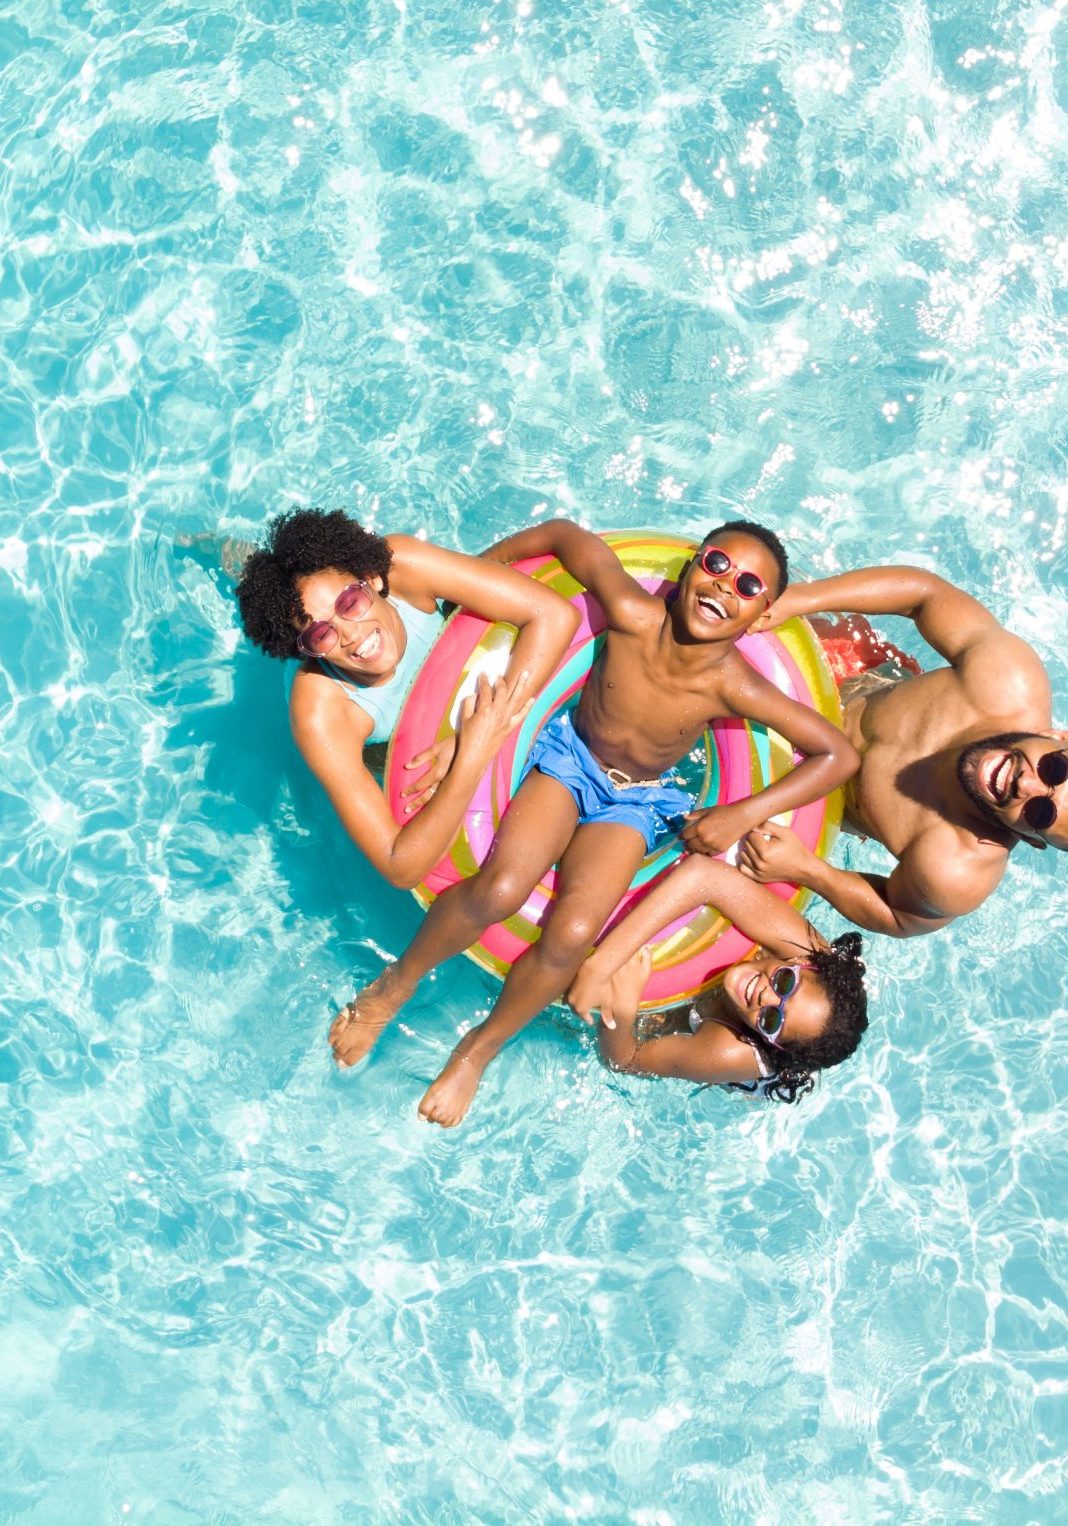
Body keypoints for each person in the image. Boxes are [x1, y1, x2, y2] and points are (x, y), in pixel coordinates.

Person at [332, 518, 860, 1126]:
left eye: (748, 587)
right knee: (501, 890)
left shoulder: (734, 684)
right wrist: (476, 579)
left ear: (763, 612)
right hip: (568, 759)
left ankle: (477, 1052)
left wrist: (743, 811)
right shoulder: (632, 613)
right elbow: (562, 536)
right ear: (690, 566)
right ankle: (394, 988)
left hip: (637, 801)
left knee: (575, 934)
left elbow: (838, 756)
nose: (723, 589)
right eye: (716, 565)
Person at [236, 508, 578, 889]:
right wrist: (472, 752)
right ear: (306, 649)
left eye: (349, 603)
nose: (350, 634)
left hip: (445, 653)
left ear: (371, 579)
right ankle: (223, 551)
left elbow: (553, 614)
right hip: (389, 744)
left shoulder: (403, 567)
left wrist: (475, 732)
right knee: (244, 567)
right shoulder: (322, 712)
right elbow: (399, 866)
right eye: (320, 634)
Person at [729, 566, 1068, 937]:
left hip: (814, 795)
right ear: (1060, 737)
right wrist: (801, 598)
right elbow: (925, 596)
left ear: (1033, 839)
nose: (1026, 785)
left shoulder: (957, 868)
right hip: (846, 679)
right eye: (1055, 770)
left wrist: (807, 869)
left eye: (1040, 812)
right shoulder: (1008, 679)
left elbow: (902, 917)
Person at [566, 855, 868, 1102]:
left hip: (739, 1053)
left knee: (653, 1020)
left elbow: (624, 1061)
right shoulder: (808, 952)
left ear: (767, 1040)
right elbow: (704, 875)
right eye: (785, 983)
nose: (766, 997)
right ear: (803, 964)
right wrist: (604, 963)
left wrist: (622, 1009)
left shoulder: (729, 1051)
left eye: (771, 1020)